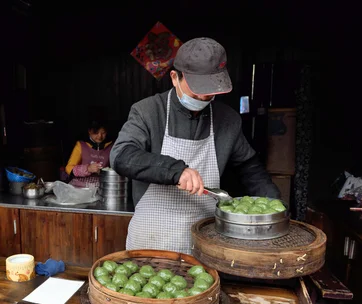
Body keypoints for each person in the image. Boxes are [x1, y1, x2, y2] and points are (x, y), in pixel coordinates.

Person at [110, 37, 280, 254]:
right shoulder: (147, 112)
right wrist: (174, 170)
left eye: (209, 92)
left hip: (206, 241)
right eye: (195, 90)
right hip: (152, 240)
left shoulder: (227, 120)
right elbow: (122, 155)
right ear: (174, 77)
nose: (202, 97)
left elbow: (250, 168)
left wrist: (275, 213)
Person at [65, 120, 114, 189]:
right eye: (96, 133)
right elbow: (68, 168)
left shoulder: (111, 147)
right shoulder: (81, 145)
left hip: (102, 188)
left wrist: (102, 171)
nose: (100, 136)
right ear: (89, 131)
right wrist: (87, 169)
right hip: (80, 188)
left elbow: (115, 169)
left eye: (103, 133)